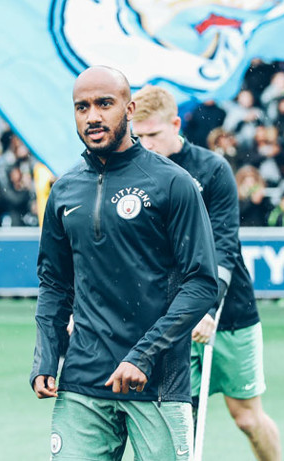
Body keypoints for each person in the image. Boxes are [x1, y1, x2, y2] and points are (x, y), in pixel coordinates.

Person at [30, 66, 219, 460]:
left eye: (104, 104)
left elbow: (201, 283)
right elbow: (54, 283)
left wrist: (143, 354)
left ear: (129, 109)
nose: (93, 116)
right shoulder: (63, 190)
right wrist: (47, 355)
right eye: (82, 107)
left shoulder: (172, 183)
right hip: (83, 377)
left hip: (157, 382)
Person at [131, 85, 281, 460]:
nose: (145, 144)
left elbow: (224, 245)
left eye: (153, 134)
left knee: (247, 417)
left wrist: (208, 309)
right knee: (183, 419)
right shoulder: (134, 173)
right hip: (173, 318)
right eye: (139, 136)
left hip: (229, 314)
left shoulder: (212, 169)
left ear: (176, 124)